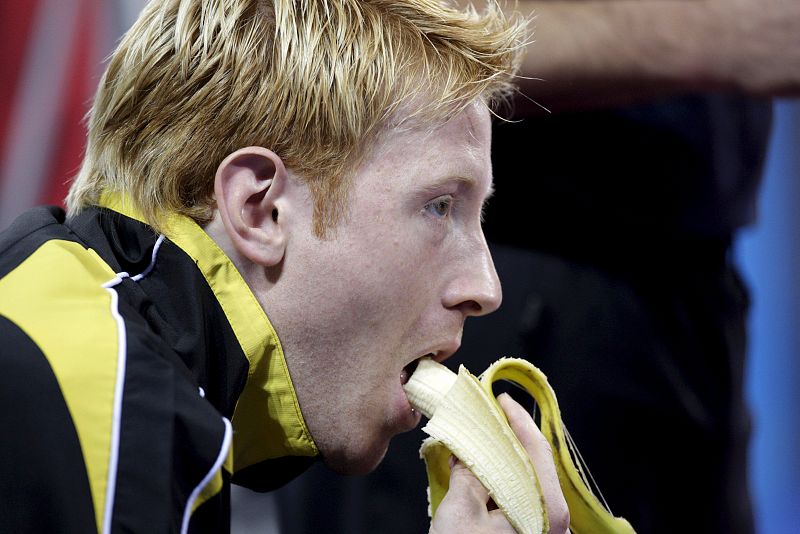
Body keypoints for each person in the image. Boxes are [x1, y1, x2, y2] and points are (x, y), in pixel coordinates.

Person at [0, 1, 571, 533]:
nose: (486, 288)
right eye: (439, 206)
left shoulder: (88, 338)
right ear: (261, 209)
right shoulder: (116, 420)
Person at [274, 1, 800, 534]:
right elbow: (344, 24)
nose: (487, 290)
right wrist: (712, 33)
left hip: (693, 284)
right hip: (518, 262)